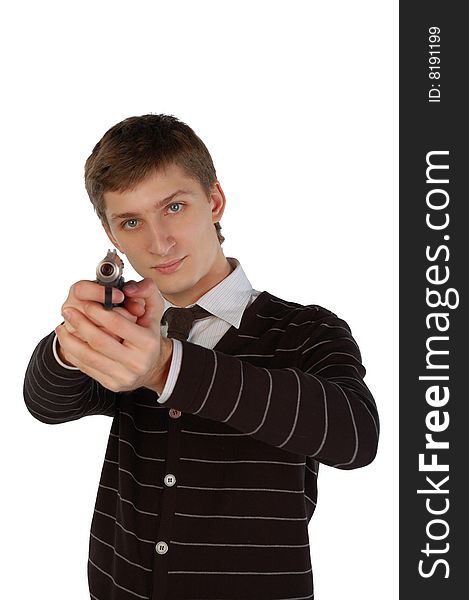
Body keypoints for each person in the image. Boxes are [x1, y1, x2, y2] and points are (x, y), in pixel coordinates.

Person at [23, 114, 379, 600]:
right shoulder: (129, 325)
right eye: (131, 222)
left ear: (214, 201)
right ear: (110, 234)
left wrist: (167, 367)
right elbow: (47, 404)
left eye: (173, 206)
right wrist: (72, 341)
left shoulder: (307, 329)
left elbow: (356, 437)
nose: (158, 243)